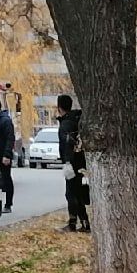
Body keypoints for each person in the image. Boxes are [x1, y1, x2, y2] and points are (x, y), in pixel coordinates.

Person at [55, 93, 90, 233]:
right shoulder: (78, 120)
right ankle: (85, 223)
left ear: (59, 107)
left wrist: (67, 162)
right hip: (81, 161)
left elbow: (67, 144)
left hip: (72, 163)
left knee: (71, 193)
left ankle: (72, 223)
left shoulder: (66, 124)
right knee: (79, 192)